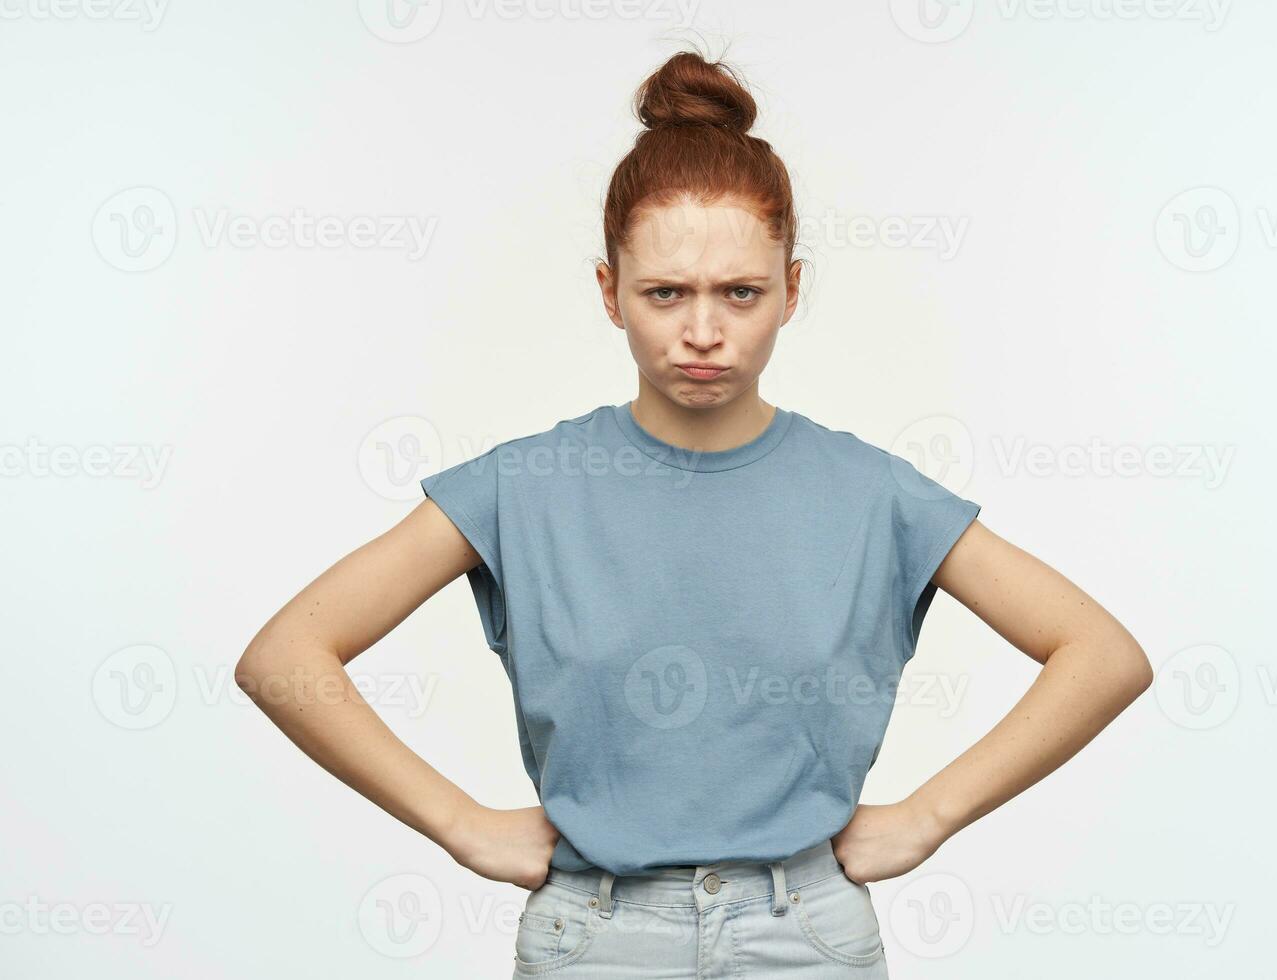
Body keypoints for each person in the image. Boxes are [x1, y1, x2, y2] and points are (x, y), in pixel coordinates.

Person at [235, 48, 1154, 978]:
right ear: (609, 293)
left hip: (806, 938)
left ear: (792, 290)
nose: (703, 332)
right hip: (594, 938)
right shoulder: (526, 485)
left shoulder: (872, 492)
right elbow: (285, 657)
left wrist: (929, 816)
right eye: (665, 292)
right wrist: (457, 824)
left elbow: (1102, 655)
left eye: (741, 293)